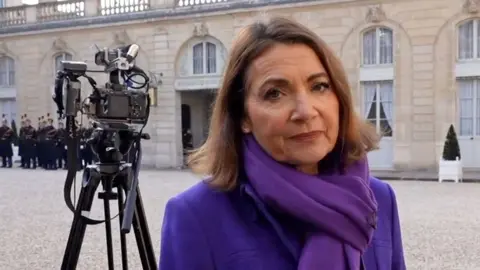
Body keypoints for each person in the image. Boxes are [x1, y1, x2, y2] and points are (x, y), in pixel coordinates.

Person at [159, 17, 406, 270]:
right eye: (274, 93)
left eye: (319, 86)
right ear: (243, 116)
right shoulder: (196, 216)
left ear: (339, 98)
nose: (305, 111)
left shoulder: (378, 198)